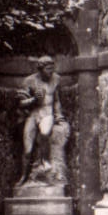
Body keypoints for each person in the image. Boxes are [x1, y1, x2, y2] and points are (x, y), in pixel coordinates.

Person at [17, 56, 67, 184]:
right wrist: (34, 99)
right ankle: (24, 175)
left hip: (47, 113)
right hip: (34, 115)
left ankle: (45, 161)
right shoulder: (29, 81)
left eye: (52, 69)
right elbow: (20, 103)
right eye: (48, 69)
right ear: (40, 69)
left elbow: (56, 100)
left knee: (45, 133)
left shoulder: (56, 79)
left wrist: (59, 115)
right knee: (27, 150)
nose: (51, 72)